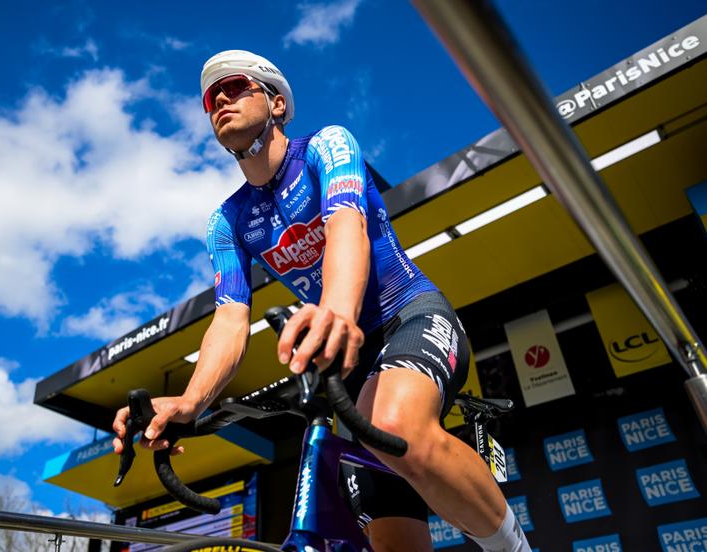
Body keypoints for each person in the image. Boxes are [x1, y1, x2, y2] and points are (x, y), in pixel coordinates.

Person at [113, 50, 531, 552]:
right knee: (391, 537)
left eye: (236, 86)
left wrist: (334, 311)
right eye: (210, 97)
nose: (220, 99)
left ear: (277, 105)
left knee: (394, 425)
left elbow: (345, 226)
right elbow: (230, 317)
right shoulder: (225, 222)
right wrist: (190, 400)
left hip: (406, 316)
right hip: (348, 366)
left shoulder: (326, 146)